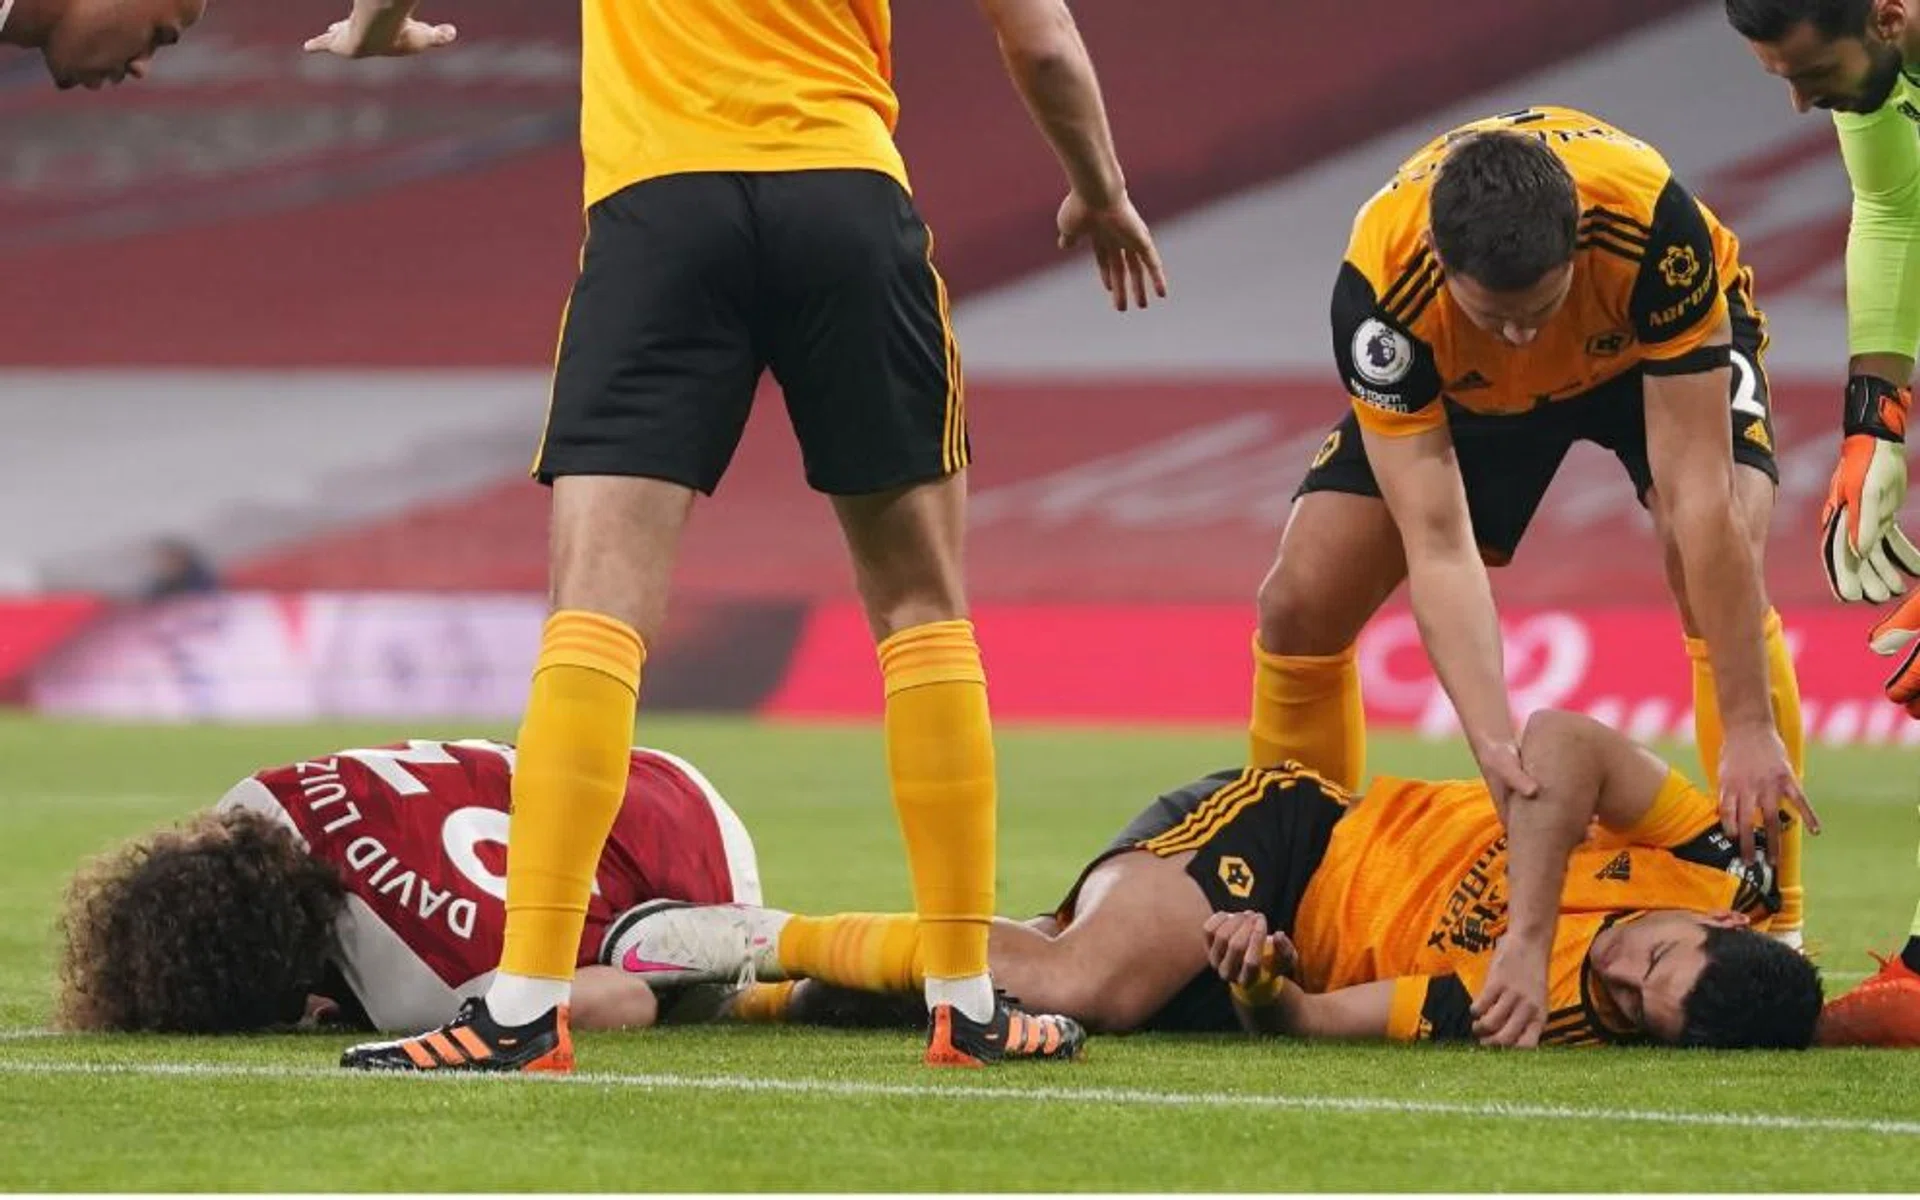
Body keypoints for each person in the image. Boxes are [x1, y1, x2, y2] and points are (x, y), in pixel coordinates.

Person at [309, 0, 1161, 1074]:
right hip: (844, 207)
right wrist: (1100, 188)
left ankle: (522, 1009)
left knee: (596, 613)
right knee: (921, 610)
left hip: (661, 215)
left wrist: (374, 25)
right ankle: (967, 1005)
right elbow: (1037, 37)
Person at [1243, 106, 1816, 946]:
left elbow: (1701, 500)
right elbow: (1436, 542)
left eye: (1538, 309)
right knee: (1299, 603)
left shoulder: (1656, 228)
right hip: (1470, 393)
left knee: (1707, 565)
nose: (1521, 333)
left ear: (1578, 239)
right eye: (1496, 316)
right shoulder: (1381, 291)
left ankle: (1777, 926)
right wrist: (1494, 748)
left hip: (1639, 357)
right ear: (1440, 260)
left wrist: (1751, 726)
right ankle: (1289, 891)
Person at [615, 711, 1822, 1050]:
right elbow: (1561, 742)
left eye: (1631, 1006)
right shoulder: (1714, 859)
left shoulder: (1551, 1016)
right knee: (1086, 982)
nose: (1613, 971)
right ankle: (745, 936)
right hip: (1292, 834)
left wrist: (1263, 982)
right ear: (1707, 922)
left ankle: (752, 994)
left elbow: (1312, 1018)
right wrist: (1532, 929)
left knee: (1033, 985)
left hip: (1267, 931)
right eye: (1651, 955)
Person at [52, 735, 1088, 1063]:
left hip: (676, 863)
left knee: (637, 956)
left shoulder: (417, 980)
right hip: (637, 771)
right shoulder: (259, 797)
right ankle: (804, 996)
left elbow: (618, 1002)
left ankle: (909, 962)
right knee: (617, 944)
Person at [1722, 0, 1920, 1024]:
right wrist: (1872, 424)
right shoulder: (1884, 63)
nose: (1800, 103)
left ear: (1888, 15)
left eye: (1810, 72)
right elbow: (1894, 209)